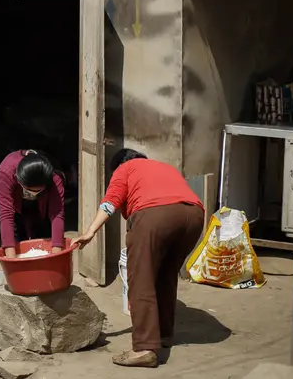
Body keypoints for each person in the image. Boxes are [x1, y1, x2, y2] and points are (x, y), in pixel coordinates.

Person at [73, 149, 204, 368]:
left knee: (140, 279)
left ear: (117, 165)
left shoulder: (124, 169)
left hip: (155, 215)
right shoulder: (164, 167)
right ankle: (162, 335)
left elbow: (110, 202)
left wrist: (90, 232)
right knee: (165, 275)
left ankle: (144, 348)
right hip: (194, 215)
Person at [0, 149, 65, 257]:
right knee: (17, 239)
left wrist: (56, 256)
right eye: (29, 190)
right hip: (16, 206)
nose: (32, 194)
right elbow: (6, 213)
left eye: (37, 191)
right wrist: (12, 260)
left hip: (41, 207)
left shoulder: (54, 177)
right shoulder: (7, 171)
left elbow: (57, 213)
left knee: (43, 238)